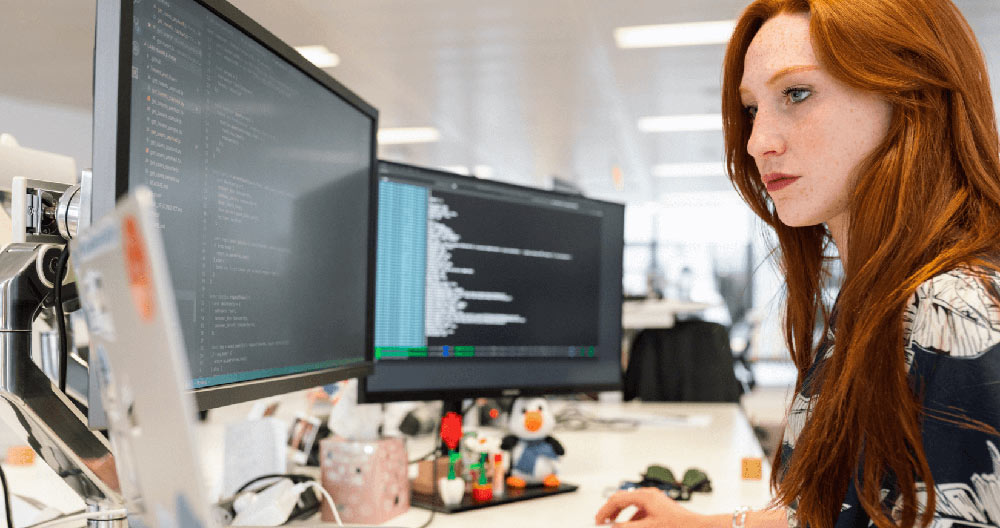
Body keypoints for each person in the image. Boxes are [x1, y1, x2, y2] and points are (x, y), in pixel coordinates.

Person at [595, 0, 1000, 527]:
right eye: (751, 109)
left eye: (797, 93)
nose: (758, 142)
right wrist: (698, 524)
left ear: (911, 97)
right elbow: (841, 514)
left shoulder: (957, 308)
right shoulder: (876, 298)